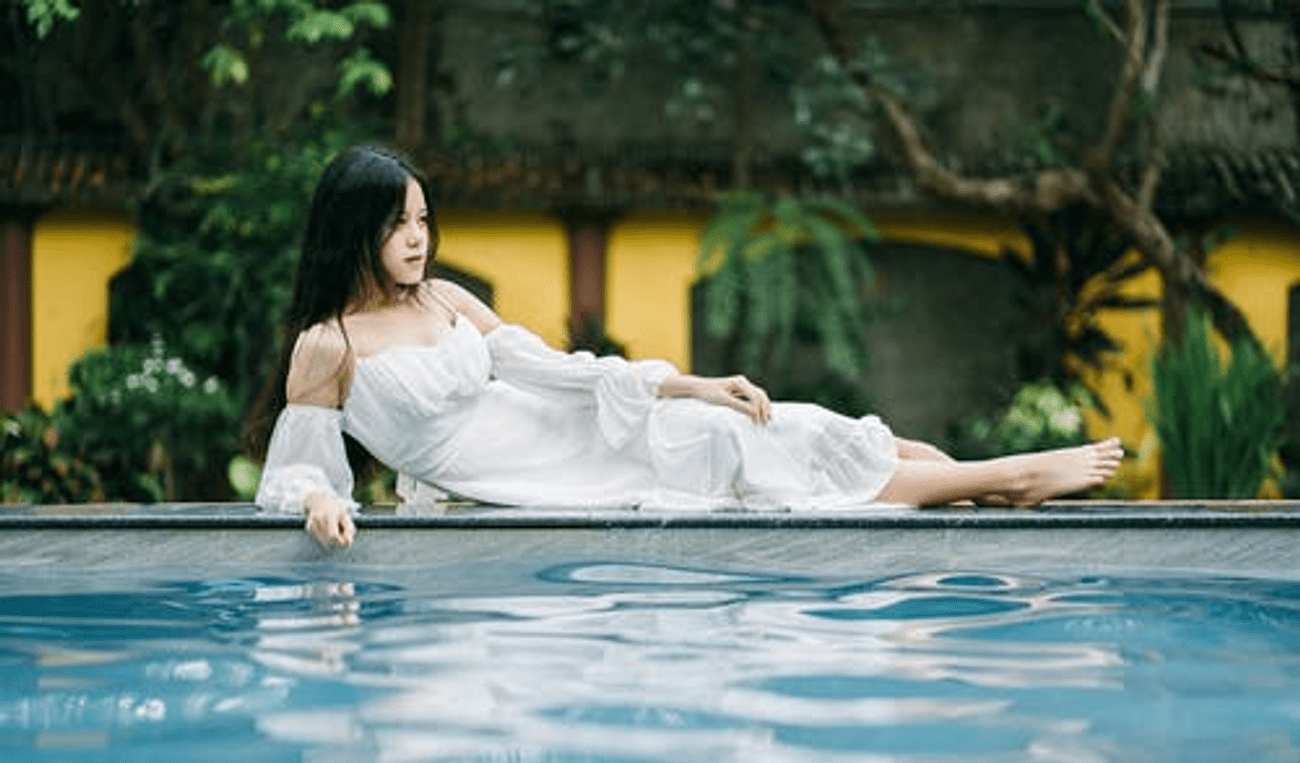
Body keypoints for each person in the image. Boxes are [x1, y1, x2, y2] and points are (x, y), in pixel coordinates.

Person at [248, 144, 1124, 548]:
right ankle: (1002, 478)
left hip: (572, 434)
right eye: (397, 222)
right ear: (350, 231)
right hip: (540, 479)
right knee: (738, 447)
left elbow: (558, 370)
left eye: (424, 217)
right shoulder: (327, 346)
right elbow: (296, 469)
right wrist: (320, 504)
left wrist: (689, 382)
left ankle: (962, 480)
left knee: (778, 421)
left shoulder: (443, 297)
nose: (417, 237)